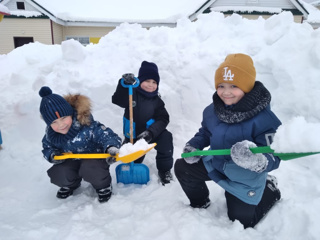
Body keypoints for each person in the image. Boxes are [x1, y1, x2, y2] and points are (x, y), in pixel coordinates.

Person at [174, 53, 282, 228]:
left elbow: (274, 155)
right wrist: (194, 145)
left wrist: (256, 160)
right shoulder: (213, 110)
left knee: (242, 222)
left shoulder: (264, 119)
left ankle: (270, 188)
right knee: (183, 167)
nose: (226, 92)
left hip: (244, 176)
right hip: (217, 164)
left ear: (247, 87)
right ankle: (200, 202)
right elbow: (206, 132)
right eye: (221, 85)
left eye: (234, 85)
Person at [39, 86, 122, 203]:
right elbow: (47, 147)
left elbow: (107, 136)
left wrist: (110, 147)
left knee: (91, 169)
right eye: (54, 122)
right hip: (71, 160)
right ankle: (71, 183)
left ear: (71, 114)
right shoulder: (52, 135)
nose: (61, 125)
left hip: (92, 159)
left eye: (63, 118)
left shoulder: (88, 126)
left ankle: (103, 186)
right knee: (59, 173)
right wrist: (52, 155)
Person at [112, 61, 174, 185]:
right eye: (147, 81)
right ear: (140, 81)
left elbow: (163, 118)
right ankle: (133, 161)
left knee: (166, 137)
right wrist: (123, 85)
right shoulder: (131, 93)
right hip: (133, 136)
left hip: (150, 134)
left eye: (154, 82)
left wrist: (151, 132)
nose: (151, 85)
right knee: (134, 161)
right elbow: (117, 100)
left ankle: (165, 170)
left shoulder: (157, 101)